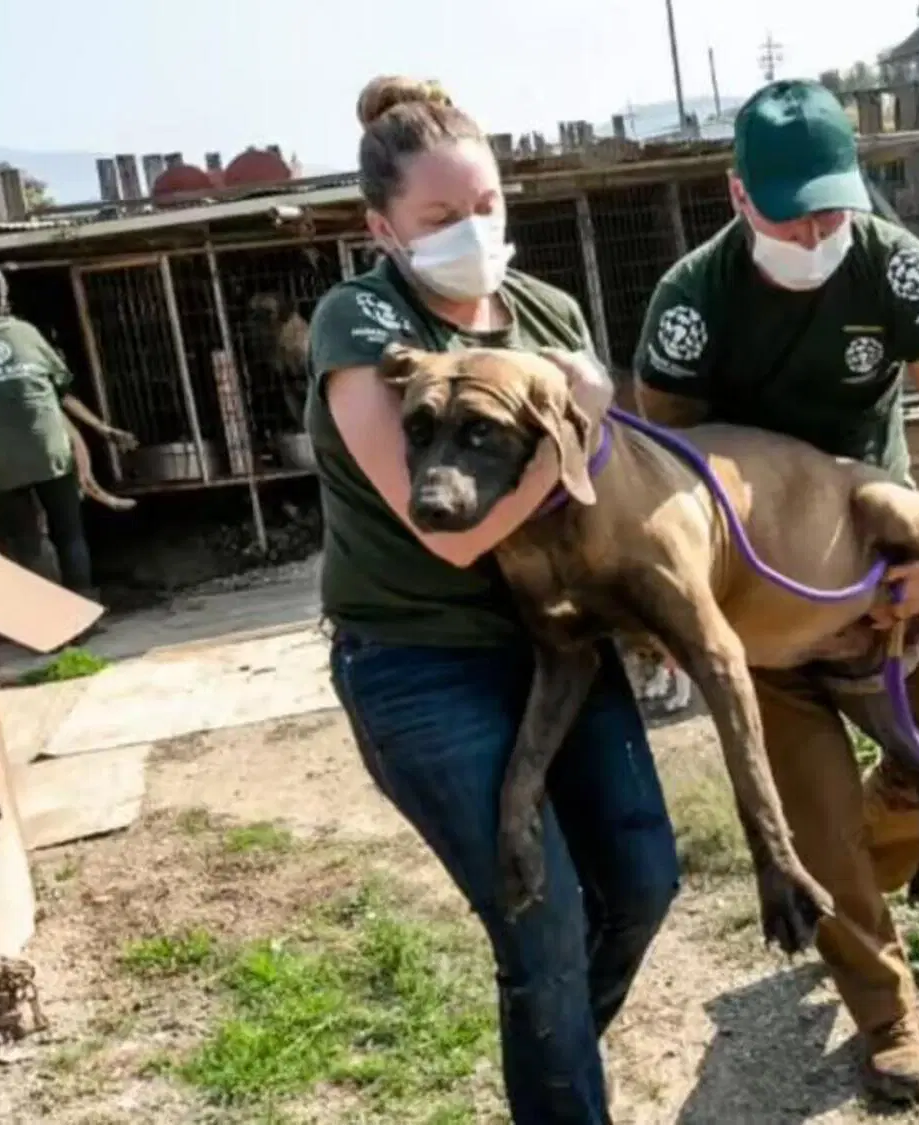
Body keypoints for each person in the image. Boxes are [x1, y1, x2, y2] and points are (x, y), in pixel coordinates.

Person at [306, 74, 679, 1125]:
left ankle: (552, 1068)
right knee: (541, 928)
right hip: (420, 662)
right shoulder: (361, 321)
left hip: (558, 642)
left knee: (643, 883)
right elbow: (451, 528)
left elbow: (612, 492)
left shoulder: (548, 313)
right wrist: (570, 433)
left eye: (486, 205)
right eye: (439, 217)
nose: (472, 231)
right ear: (382, 228)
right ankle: (559, 1079)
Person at [629, 77, 919, 1104]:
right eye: (792, 215)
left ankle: (856, 878)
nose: (816, 232)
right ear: (737, 195)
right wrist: (679, 616)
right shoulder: (691, 304)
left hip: (885, 575)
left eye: (832, 208)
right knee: (817, 820)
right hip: (762, 609)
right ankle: (887, 1015)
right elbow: (665, 481)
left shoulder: (892, 264)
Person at [0, 257, 135, 599]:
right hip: (50, 452)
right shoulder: (26, 333)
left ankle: (47, 612)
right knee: (70, 535)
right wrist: (102, 428)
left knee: (26, 542)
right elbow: (61, 391)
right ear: (2, 294)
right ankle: (85, 609)